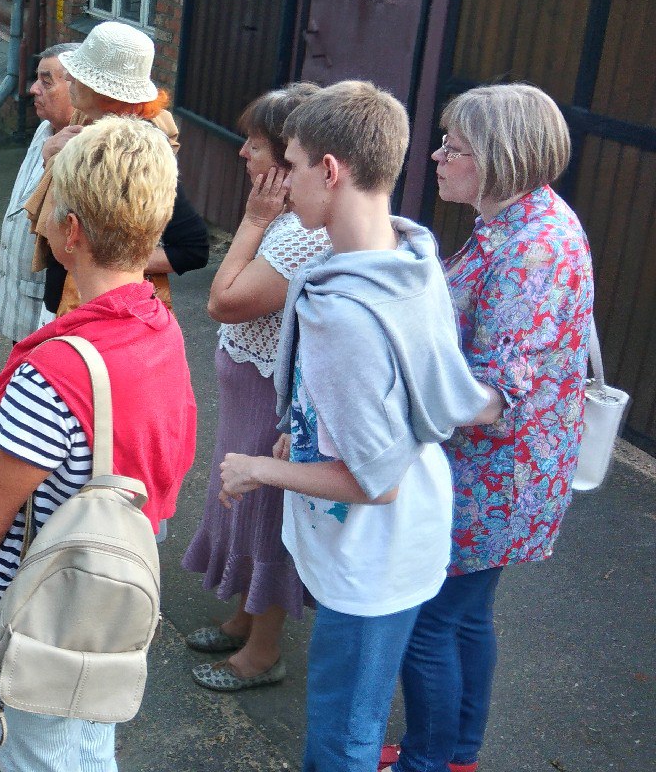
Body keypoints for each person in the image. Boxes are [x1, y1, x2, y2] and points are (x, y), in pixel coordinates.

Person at [217, 81, 499, 772]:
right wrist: (303, 430)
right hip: (404, 540)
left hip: (374, 556)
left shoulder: (343, 314)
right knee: (353, 717)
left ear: (331, 171)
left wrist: (260, 468)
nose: (284, 182)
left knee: (341, 741)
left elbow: (375, 481)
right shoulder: (409, 252)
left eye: (294, 162)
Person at [0, 117, 196, 771]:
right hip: (114, 578)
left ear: (71, 233)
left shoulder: (53, 374)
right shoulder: (157, 324)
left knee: (35, 753)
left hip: (37, 601)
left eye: (48, 199)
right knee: (84, 737)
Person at [382, 85, 594, 772]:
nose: (437, 154)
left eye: (455, 146)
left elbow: (493, 397)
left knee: (430, 627)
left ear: (501, 158)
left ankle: (428, 760)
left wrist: (400, 402)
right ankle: (457, 752)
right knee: (465, 617)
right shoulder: (519, 222)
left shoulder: (531, 250)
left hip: (490, 478)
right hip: (509, 472)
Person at [180, 83, 326, 692]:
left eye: (260, 146)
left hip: (272, 406)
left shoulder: (296, 233)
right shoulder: (288, 223)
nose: (244, 153)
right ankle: (244, 618)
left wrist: (251, 220)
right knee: (240, 504)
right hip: (251, 397)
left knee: (266, 513)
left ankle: (263, 652)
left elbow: (224, 301)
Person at [28, 21, 209, 317]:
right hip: (76, 301)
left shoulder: (131, 151)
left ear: (103, 90)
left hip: (102, 309)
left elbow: (193, 248)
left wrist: (107, 262)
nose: (71, 78)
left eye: (80, 74)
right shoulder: (88, 125)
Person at [0, 42, 78, 344]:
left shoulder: (85, 149)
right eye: (36, 79)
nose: (32, 89)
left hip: (50, 309)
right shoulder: (45, 131)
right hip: (20, 303)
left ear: (78, 89)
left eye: (46, 80)